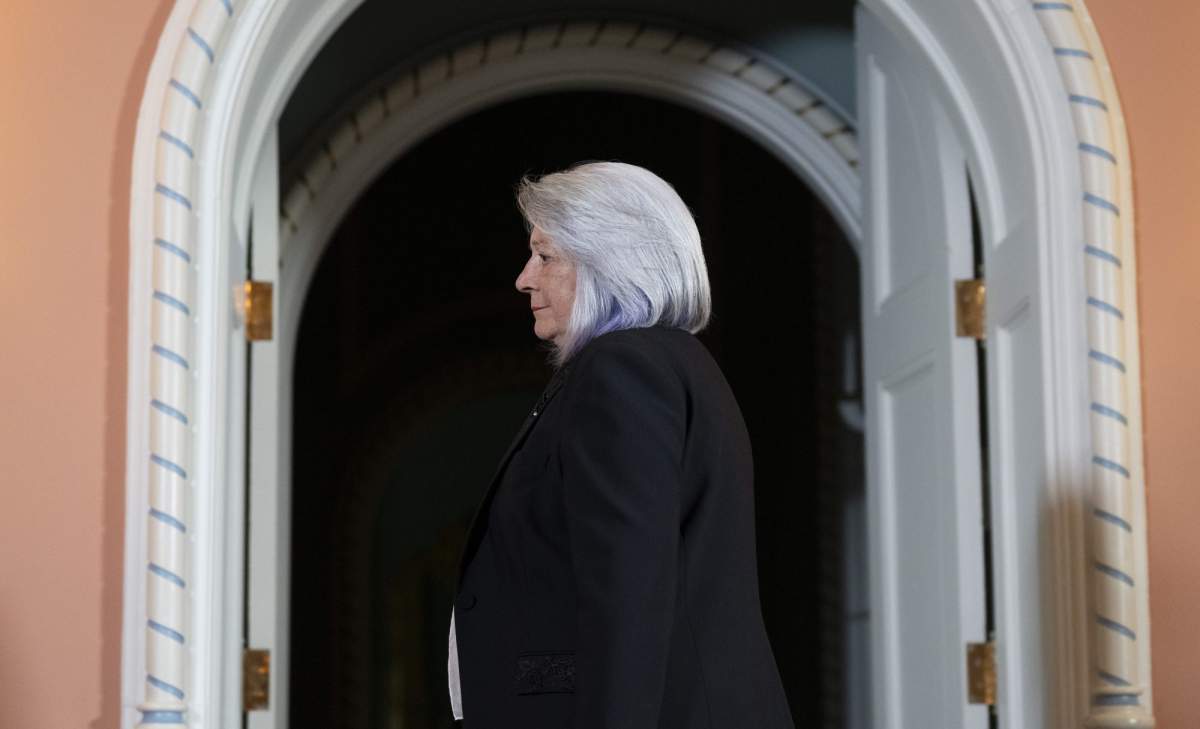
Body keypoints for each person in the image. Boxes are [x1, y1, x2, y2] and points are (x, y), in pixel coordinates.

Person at [447, 161, 795, 729]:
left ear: (608, 257)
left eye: (546, 255)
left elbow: (629, 597)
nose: (524, 278)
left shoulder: (623, 370)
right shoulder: (664, 364)